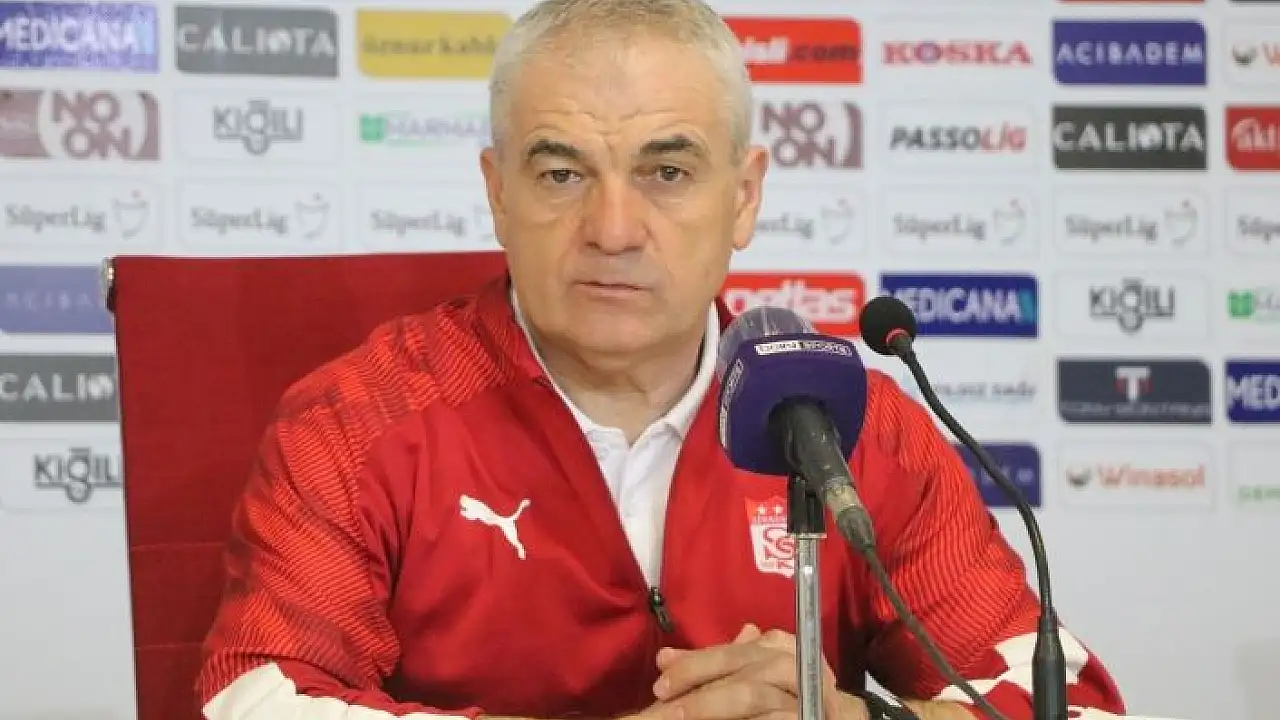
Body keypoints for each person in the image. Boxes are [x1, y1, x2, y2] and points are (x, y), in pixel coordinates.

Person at [196, 1, 1128, 719]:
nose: (612, 229)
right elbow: (260, 699)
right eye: (561, 173)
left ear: (744, 197)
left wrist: (858, 717)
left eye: (667, 172)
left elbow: (1068, 705)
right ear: (498, 194)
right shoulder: (359, 422)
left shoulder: (849, 426)